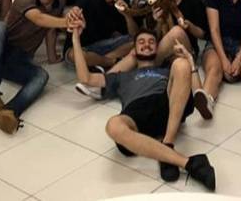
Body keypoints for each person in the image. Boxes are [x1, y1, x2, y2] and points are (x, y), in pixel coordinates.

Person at [71, 28, 216, 190]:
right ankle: (186, 162)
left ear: (157, 48)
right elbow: (86, 78)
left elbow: (198, 93)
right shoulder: (121, 76)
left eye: (151, 42)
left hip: (166, 103)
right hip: (136, 111)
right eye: (141, 42)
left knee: (181, 64)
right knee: (113, 126)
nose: (146, 44)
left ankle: (168, 142)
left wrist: (189, 60)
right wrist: (75, 39)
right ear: (134, 50)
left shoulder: (166, 70)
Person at [0, 0, 82, 134]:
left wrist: (52, 56)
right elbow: (39, 18)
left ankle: (10, 111)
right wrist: (67, 22)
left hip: (20, 58)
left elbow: (49, 27)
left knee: (42, 76)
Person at [64, 0, 137, 69]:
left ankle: (100, 62)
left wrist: (127, 14)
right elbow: (72, 14)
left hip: (105, 46)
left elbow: (133, 34)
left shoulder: (124, 0)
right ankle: (110, 62)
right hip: (82, 47)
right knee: (74, 55)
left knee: (137, 42)